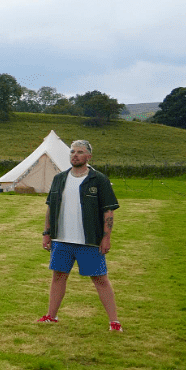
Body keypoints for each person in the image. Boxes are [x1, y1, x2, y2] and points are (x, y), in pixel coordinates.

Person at [40, 139, 121, 331]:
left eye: (79, 152)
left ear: (88, 156)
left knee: (100, 279)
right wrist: (47, 233)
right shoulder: (59, 178)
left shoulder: (99, 179)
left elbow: (108, 211)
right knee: (58, 277)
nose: (75, 155)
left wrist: (106, 237)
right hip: (62, 240)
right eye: (72, 152)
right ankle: (51, 316)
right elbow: (51, 208)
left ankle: (114, 322)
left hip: (89, 241)